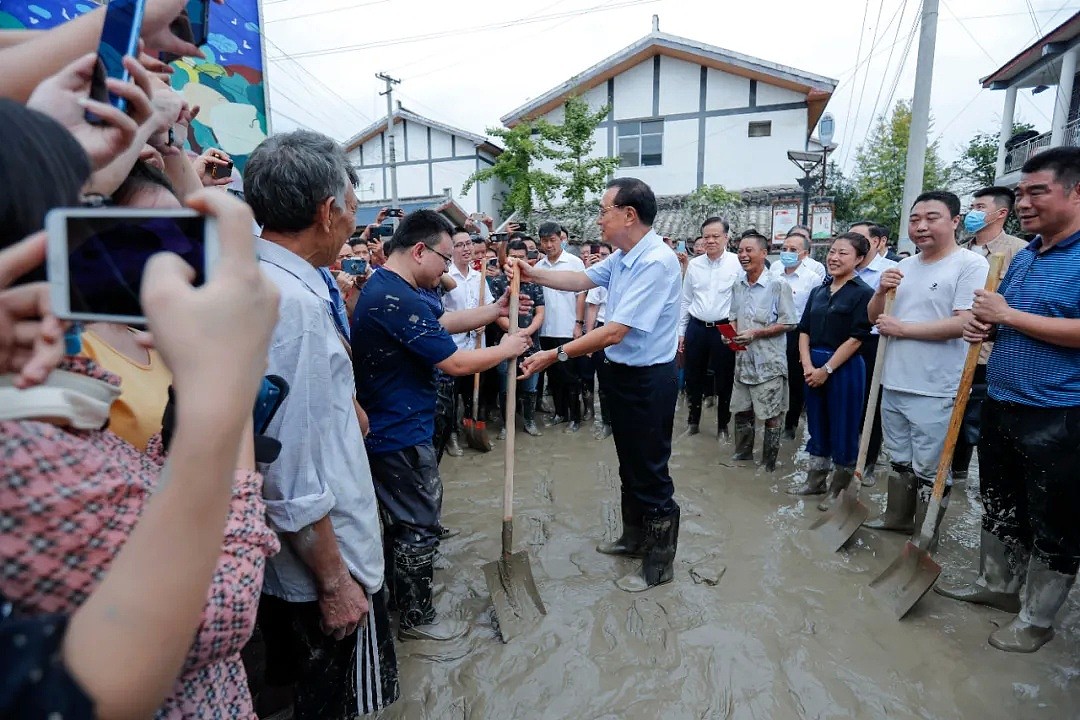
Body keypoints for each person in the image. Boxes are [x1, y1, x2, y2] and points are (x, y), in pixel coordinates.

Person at [243, 130, 396, 718]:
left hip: (286, 556)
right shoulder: (296, 306)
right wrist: (335, 582)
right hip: (323, 566)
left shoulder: (255, 275)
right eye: (352, 210)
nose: (354, 225)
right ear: (328, 211)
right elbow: (286, 467)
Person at [352, 210, 529, 641]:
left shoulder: (393, 286)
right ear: (418, 250)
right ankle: (417, 618)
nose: (447, 269)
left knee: (407, 520)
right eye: (445, 258)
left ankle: (403, 595)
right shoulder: (398, 299)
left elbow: (441, 324)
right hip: (398, 429)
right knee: (418, 524)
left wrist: (493, 310)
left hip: (398, 422)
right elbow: (453, 361)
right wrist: (507, 348)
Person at [940, 147, 1080, 653]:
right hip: (1002, 400)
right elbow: (1007, 320)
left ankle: (1037, 619)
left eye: (1036, 191)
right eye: (1019, 193)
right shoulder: (1025, 255)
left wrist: (1009, 317)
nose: (1022, 202)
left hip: (1062, 413)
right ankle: (998, 588)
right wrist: (987, 326)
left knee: (1056, 520)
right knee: (1001, 504)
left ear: (1076, 190)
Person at [517, 177, 682, 593]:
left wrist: (555, 354)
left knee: (650, 468)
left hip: (648, 379)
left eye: (604, 210)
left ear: (629, 215)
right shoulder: (624, 256)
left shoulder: (655, 261)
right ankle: (633, 538)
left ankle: (660, 565)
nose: (599, 218)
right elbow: (580, 281)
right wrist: (530, 271)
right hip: (621, 374)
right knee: (629, 463)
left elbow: (613, 332)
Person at [863, 192, 989, 547]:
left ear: (954, 221)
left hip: (936, 386)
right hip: (892, 379)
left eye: (931, 218)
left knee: (931, 467)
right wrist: (879, 292)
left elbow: (965, 322)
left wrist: (904, 329)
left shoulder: (970, 264)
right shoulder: (902, 266)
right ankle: (897, 518)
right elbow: (875, 317)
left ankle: (926, 532)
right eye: (915, 219)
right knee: (899, 457)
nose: (920, 226)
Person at [787, 233, 873, 499]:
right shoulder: (819, 291)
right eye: (832, 252)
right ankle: (816, 480)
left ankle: (839, 489)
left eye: (843, 253)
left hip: (844, 367)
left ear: (859, 259)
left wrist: (827, 370)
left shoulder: (864, 293)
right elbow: (804, 329)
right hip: (812, 364)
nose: (834, 258)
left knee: (844, 425)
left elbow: (857, 338)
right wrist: (808, 365)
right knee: (817, 422)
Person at [952, 186, 1029, 480]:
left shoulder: (1019, 252)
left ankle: (960, 471)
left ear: (1001, 213)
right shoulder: (960, 249)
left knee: (973, 416)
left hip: (987, 351)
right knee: (948, 411)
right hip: (949, 344)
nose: (973, 211)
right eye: (972, 205)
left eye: (980, 206)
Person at [729, 231, 798, 471]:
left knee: (771, 413)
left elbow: (789, 322)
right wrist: (729, 334)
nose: (743, 255)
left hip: (769, 363)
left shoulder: (778, 285)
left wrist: (756, 334)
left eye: (749, 250)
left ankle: (768, 463)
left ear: (764, 253)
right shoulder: (738, 284)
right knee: (741, 410)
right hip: (743, 360)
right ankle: (742, 454)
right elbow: (733, 317)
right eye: (740, 251)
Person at [678, 216, 742, 437]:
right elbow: (686, 301)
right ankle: (693, 422)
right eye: (707, 237)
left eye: (716, 236)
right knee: (692, 376)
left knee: (725, 377)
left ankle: (723, 425)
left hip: (725, 328)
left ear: (726, 237)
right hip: (697, 327)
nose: (711, 241)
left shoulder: (737, 263)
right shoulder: (695, 265)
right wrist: (681, 332)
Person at [848, 221, 899, 484]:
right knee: (850, 401)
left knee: (872, 404)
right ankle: (845, 458)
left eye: (860, 237)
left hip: (874, 344)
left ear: (878, 242)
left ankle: (867, 462)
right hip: (844, 343)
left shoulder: (890, 271)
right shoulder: (844, 268)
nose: (852, 241)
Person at [443, 227, 495, 452]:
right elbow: (441, 313)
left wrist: (484, 319)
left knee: (476, 391)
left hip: (477, 346)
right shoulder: (445, 277)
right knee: (452, 395)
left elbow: (491, 307)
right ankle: (450, 435)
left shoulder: (479, 276)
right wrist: (470, 321)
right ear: (451, 249)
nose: (466, 249)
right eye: (460, 245)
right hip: (454, 348)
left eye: (468, 244)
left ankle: (473, 428)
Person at [771, 227, 826, 440]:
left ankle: (790, 424)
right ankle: (772, 418)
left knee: (795, 380)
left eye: (793, 249)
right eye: (784, 248)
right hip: (772, 332)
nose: (787, 252)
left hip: (797, 334)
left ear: (804, 254)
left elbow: (813, 312)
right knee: (774, 378)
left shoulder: (812, 278)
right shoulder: (774, 273)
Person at [488, 239, 546, 437]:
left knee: (530, 385)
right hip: (505, 343)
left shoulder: (534, 282)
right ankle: (507, 424)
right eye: (513, 257)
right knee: (505, 387)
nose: (517, 261)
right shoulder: (498, 282)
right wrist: (516, 333)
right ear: (506, 258)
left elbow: (540, 313)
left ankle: (529, 420)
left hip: (531, 343)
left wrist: (527, 332)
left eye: (521, 257)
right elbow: (497, 315)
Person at [536, 221, 587, 432]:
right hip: (546, 330)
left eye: (552, 240)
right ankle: (560, 413)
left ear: (561, 239)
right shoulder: (538, 268)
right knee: (554, 375)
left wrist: (578, 324)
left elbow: (581, 295)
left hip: (567, 329)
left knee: (570, 375)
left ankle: (575, 416)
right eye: (544, 241)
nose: (549, 245)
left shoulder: (574, 263)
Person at [585, 243, 614, 440]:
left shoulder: (623, 274)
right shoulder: (597, 278)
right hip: (602, 330)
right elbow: (592, 308)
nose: (601, 258)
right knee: (603, 382)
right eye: (599, 255)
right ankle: (607, 423)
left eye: (605, 255)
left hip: (625, 331)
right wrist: (588, 339)